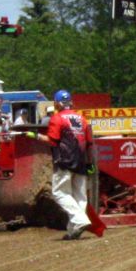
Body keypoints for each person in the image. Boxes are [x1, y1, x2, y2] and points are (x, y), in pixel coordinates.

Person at [44, 91, 94, 240]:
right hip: (81, 162)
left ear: (58, 103)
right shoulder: (82, 119)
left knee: (59, 193)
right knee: (80, 196)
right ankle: (73, 230)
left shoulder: (57, 118)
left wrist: (36, 136)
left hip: (64, 162)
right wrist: (90, 164)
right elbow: (90, 143)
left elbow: (53, 141)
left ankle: (80, 220)